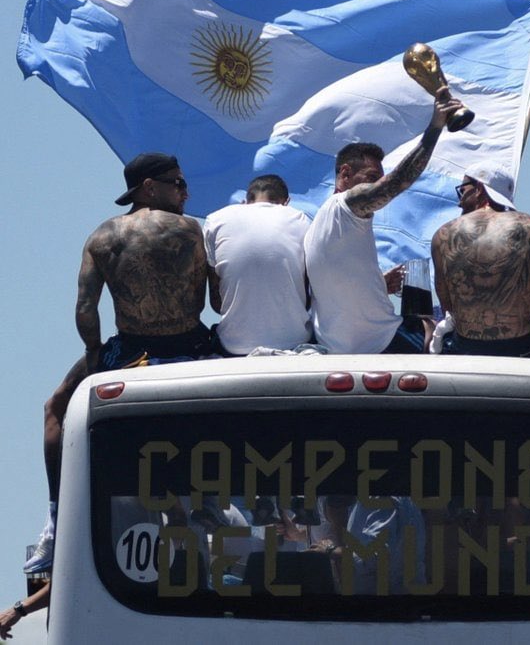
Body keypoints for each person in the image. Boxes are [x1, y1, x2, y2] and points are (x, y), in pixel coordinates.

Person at [25, 153, 210, 574]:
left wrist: (95, 357)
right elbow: (215, 300)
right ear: (149, 187)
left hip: (129, 353)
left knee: (55, 408)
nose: (185, 192)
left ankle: (56, 519)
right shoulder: (192, 230)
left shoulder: (102, 237)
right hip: (192, 345)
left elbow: (85, 308)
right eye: (178, 183)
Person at [304, 86, 461, 353]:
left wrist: (378, 283)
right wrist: (435, 127)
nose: (377, 185)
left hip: (335, 347)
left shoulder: (320, 224)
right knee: (437, 329)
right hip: (383, 343)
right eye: (371, 177)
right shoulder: (346, 204)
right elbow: (398, 182)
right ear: (345, 174)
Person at [431, 164, 530, 356]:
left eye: (462, 191)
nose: (459, 202)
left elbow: (449, 306)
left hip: (466, 347)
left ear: (480, 189)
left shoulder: (443, 236)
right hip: (521, 348)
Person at [203, 174, 312, 354]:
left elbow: (216, 303)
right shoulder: (300, 219)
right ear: (286, 202)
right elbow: (307, 300)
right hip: (294, 343)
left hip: (233, 346)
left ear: (245, 201)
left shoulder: (215, 219)